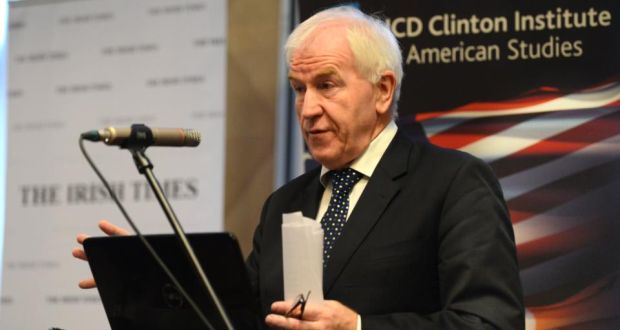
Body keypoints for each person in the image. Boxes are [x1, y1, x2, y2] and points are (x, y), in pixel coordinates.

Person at [74, 6, 524, 329]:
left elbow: (491, 321)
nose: (307, 109)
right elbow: (241, 316)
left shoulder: (453, 184)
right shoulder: (284, 203)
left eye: (326, 85)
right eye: (298, 88)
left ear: (383, 91)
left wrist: (358, 328)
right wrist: (153, 278)